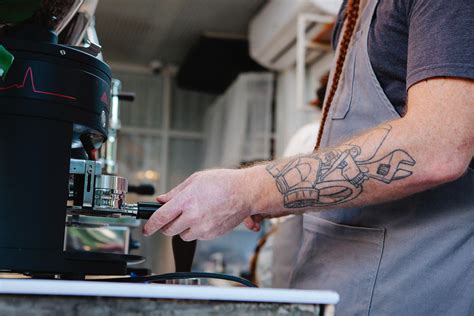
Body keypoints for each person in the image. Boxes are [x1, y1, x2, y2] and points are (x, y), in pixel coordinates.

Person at [143, 0, 474, 314]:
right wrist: (281, 198)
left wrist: (249, 189)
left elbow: (439, 145)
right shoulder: (354, 11)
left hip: (411, 289)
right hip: (338, 286)